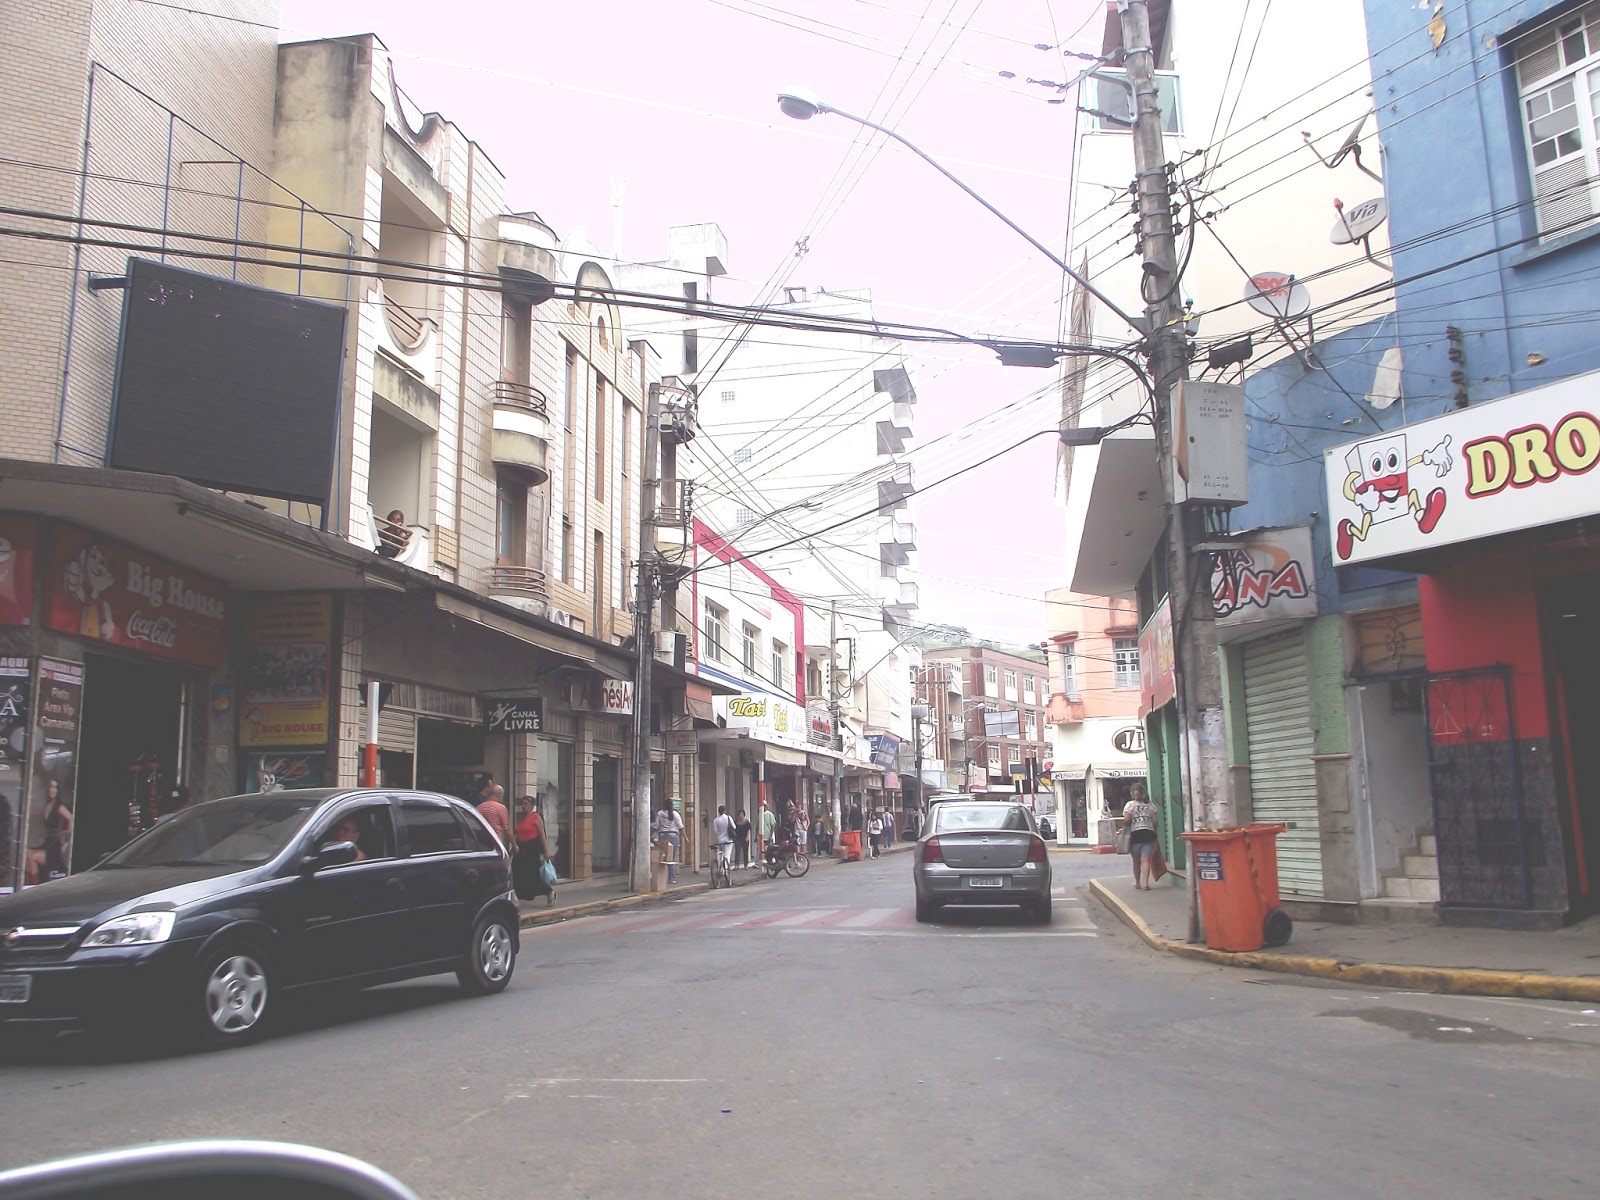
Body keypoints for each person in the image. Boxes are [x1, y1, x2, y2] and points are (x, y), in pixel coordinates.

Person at [26, 778, 73, 884]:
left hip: (56, 846)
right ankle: (29, 886)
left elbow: (71, 818)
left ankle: (34, 887)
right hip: (49, 843)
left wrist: (67, 841)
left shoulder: (58, 805)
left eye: (55, 787)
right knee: (28, 854)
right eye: (51, 787)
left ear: (58, 790)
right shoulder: (48, 804)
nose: (52, 790)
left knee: (32, 857)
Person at [513, 795, 554, 906]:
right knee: (517, 872)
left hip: (532, 848)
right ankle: (518, 897)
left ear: (532, 806)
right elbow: (517, 834)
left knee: (533, 875)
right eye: (523, 804)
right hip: (521, 848)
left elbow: (542, 835)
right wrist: (513, 847)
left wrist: (546, 851)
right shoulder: (520, 818)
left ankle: (549, 891)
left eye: (526, 804)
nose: (523, 806)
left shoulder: (536, 817)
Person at [1123, 784, 1160, 889]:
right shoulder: (1151, 805)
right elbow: (1155, 822)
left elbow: (1127, 820)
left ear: (1132, 793)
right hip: (1149, 834)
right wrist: (1154, 831)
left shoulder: (1130, 805)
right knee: (1146, 860)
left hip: (1135, 835)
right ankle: (1145, 883)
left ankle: (1137, 882)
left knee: (1136, 861)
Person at [653, 799, 683, 884]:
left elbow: (656, 826)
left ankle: (660, 878)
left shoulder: (660, 813)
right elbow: (680, 827)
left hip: (662, 836)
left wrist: (652, 834)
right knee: (671, 858)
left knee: (662, 857)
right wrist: (685, 837)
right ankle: (671, 878)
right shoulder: (676, 814)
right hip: (674, 836)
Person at [479, 784, 513, 851]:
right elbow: (507, 830)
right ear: (499, 794)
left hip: (482, 844)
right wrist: (514, 845)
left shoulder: (479, 807)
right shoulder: (501, 808)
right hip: (496, 844)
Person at [711, 804, 735, 872]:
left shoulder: (716, 820)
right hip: (728, 839)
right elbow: (734, 827)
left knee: (721, 854)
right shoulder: (728, 817)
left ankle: (720, 866)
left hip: (720, 840)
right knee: (727, 854)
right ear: (724, 811)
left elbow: (715, 830)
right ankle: (725, 871)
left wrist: (720, 833)